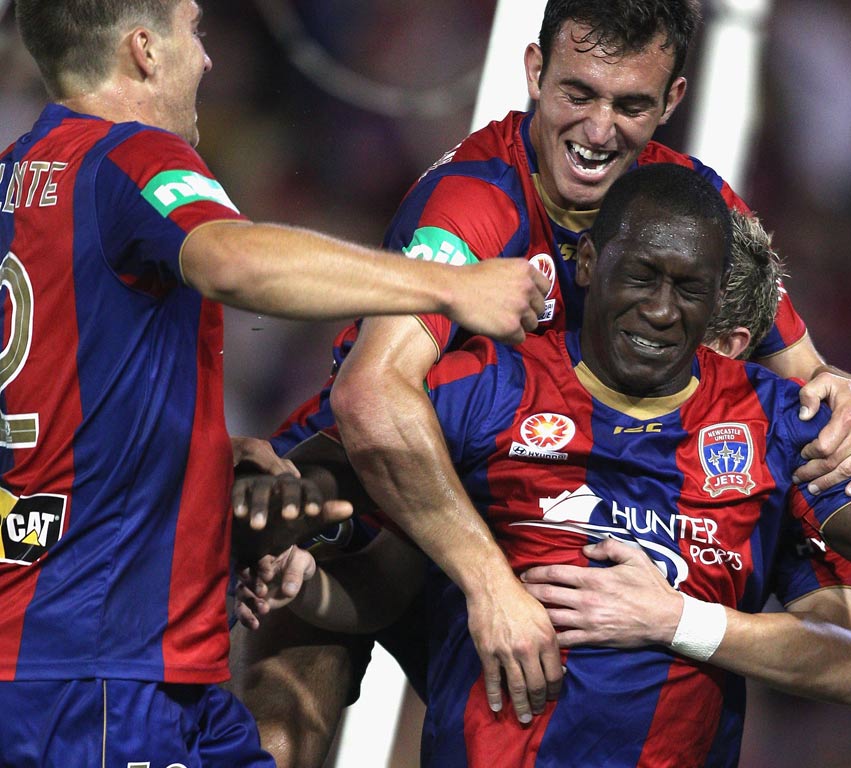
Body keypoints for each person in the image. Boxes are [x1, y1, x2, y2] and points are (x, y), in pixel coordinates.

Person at [242, 163, 851, 767]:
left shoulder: (781, 429)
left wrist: (678, 620)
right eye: (642, 277)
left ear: (721, 318)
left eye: (688, 290)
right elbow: (373, 567)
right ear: (590, 262)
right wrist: (305, 562)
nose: (662, 310)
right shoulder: (484, 392)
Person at [0, 2, 547, 766]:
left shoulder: (18, 175)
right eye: (195, 31)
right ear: (144, 51)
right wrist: (449, 287)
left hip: (75, 658)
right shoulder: (131, 156)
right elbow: (234, 261)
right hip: (105, 670)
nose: (209, 60)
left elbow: (59, 403)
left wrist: (203, 469)